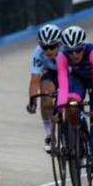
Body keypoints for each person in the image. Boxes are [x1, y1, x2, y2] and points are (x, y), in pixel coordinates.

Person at [56, 26, 93, 186]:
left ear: (83, 46)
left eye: (78, 50)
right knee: (71, 105)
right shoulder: (61, 57)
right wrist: (59, 108)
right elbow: (62, 86)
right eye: (70, 51)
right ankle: (78, 134)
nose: (74, 55)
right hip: (79, 80)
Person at [26, 24, 63, 153]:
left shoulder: (68, 49)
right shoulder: (38, 53)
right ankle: (48, 134)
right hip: (52, 74)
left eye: (52, 47)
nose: (48, 51)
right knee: (45, 96)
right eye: (45, 47)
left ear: (59, 43)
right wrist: (32, 101)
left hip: (69, 74)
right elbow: (35, 79)